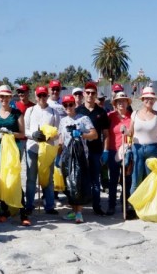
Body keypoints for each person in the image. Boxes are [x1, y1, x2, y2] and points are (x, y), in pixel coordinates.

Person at [0, 85, 27, 222]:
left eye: (6, 96)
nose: (4, 99)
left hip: (13, 152)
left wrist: (11, 134)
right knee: (2, 181)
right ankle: (5, 211)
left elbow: (22, 134)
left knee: (14, 179)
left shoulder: (17, 113)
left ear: (10, 97)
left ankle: (23, 213)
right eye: (1, 96)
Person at [23, 85, 62, 225]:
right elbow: (25, 130)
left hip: (47, 149)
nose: (42, 98)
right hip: (32, 148)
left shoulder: (54, 112)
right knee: (31, 178)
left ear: (47, 96)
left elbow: (57, 132)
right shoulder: (30, 111)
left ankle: (49, 205)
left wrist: (49, 137)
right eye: (39, 95)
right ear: (35, 96)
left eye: (44, 95)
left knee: (48, 178)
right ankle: (29, 205)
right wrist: (33, 135)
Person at [57, 95, 98, 224]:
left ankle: (79, 212)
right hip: (67, 156)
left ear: (75, 105)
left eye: (70, 104)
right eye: (65, 105)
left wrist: (81, 134)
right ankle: (73, 211)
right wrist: (58, 155)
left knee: (78, 184)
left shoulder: (83, 119)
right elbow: (61, 139)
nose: (68, 107)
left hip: (80, 156)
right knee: (69, 184)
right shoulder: (63, 121)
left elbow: (94, 135)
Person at [76, 81, 110, 216]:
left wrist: (106, 151)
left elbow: (106, 134)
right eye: (88, 92)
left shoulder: (101, 112)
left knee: (96, 180)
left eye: (93, 93)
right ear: (84, 94)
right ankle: (80, 207)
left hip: (96, 151)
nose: (90, 95)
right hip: (80, 151)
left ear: (96, 95)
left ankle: (97, 206)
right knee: (80, 179)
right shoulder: (77, 111)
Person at [129, 87, 157, 198]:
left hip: (152, 149)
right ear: (142, 99)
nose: (149, 100)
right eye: (146, 98)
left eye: (151, 98)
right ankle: (135, 206)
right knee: (136, 180)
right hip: (137, 149)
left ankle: (149, 205)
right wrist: (124, 131)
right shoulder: (134, 114)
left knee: (151, 180)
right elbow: (130, 132)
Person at [104, 92, 133, 215]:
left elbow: (134, 133)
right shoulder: (110, 116)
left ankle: (124, 203)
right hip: (113, 151)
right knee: (113, 180)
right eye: (119, 101)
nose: (121, 103)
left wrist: (128, 133)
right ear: (115, 103)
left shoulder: (132, 117)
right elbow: (105, 133)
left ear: (127, 103)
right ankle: (111, 205)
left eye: (123, 100)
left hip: (126, 151)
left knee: (127, 179)